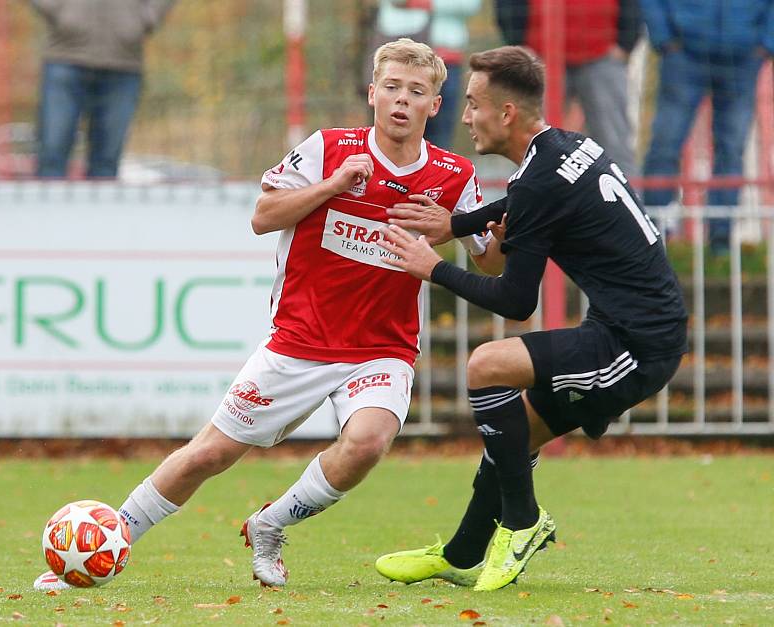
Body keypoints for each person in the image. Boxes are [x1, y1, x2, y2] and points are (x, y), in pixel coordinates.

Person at [33, 38, 498, 592]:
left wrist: (466, 226)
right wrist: (331, 186)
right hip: (299, 341)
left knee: (368, 442)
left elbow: (492, 264)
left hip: (382, 348)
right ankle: (109, 541)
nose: (401, 100)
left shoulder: (454, 176)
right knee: (209, 454)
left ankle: (270, 523)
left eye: (416, 91)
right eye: (392, 88)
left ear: (434, 105)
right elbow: (262, 216)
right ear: (372, 94)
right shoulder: (329, 148)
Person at [374, 45, 687, 591]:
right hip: (626, 329)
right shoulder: (567, 146)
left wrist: (433, 268)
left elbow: (518, 302)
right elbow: (521, 201)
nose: (466, 117)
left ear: (506, 114)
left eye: (473, 105)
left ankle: (522, 523)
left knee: (486, 366)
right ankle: (463, 552)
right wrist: (458, 224)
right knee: (516, 434)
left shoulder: (538, 181)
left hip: (638, 345)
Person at [639, 0, 773, 254]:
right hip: (684, 53)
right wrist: (664, 38)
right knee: (666, 144)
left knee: (731, 149)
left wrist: (766, 44)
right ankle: (653, 236)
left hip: (743, 56)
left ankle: (720, 242)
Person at [29, 0, 177, 179]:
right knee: (52, 155)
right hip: (65, 56)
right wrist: (62, 11)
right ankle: (48, 208)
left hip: (124, 63)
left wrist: (146, 18)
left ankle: (100, 208)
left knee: (106, 163)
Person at [493, 0, 641, 177]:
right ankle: (521, 202)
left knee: (614, 141)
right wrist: (516, 42)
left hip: (601, 55)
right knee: (527, 142)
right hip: (539, 54)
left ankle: (626, 202)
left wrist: (626, 43)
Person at [369, 0, 482, 149]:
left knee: (438, 143)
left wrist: (422, 3)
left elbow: (469, 5)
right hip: (397, 58)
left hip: (446, 59)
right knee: (389, 141)